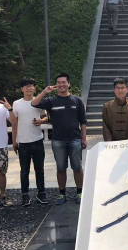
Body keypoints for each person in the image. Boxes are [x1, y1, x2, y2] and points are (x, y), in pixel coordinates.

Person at [31, 73, 87, 205]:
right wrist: (45, 92)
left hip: (75, 139)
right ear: (56, 85)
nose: (61, 84)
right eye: (59, 82)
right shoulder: (51, 101)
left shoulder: (77, 101)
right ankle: (62, 193)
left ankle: (80, 192)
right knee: (61, 168)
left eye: (64, 82)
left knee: (77, 167)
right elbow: (34, 103)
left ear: (68, 84)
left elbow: (83, 121)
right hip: (58, 140)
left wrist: (83, 138)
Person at [12, 77, 48, 206]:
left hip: (37, 139)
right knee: (24, 170)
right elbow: (15, 123)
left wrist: (41, 121)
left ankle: (41, 193)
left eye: (31, 85)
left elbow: (46, 116)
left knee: (40, 169)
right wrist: (14, 140)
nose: (29, 88)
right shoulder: (16, 104)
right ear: (22, 89)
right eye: (26, 86)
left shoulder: (39, 101)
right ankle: (25, 195)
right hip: (23, 141)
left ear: (34, 88)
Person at [102, 77, 128, 142]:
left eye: (122, 88)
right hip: (112, 144)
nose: (120, 91)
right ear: (114, 90)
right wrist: (110, 142)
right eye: (117, 88)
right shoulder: (107, 106)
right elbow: (105, 127)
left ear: (127, 89)